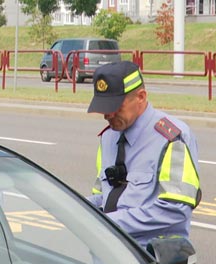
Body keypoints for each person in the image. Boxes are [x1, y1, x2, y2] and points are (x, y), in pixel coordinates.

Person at [86, 61, 201, 250]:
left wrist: (108, 224)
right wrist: (71, 209)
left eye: (115, 107)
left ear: (140, 97)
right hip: (108, 254)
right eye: (103, 107)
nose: (107, 115)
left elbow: (175, 209)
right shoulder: (108, 137)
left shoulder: (171, 138)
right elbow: (102, 197)